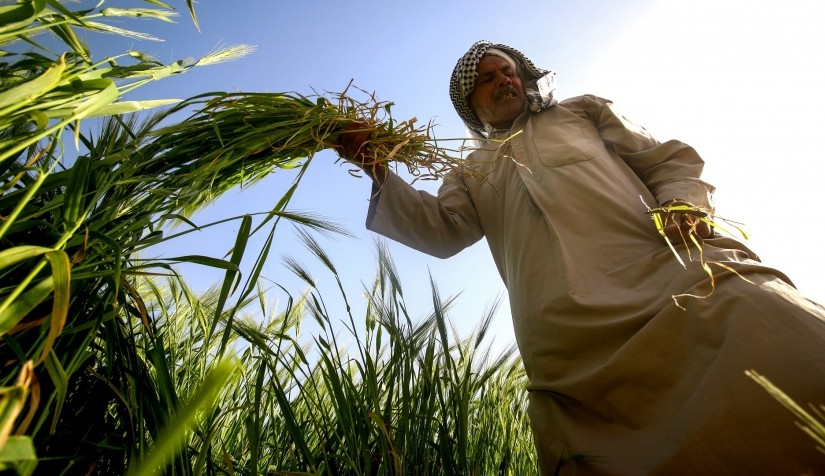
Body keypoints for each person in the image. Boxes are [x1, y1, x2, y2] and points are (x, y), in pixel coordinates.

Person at [337, 40, 825, 475]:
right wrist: (378, 169)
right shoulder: (468, 169)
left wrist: (683, 204)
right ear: (471, 103)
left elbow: (667, 160)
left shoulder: (581, 112)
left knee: (779, 333)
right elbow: (443, 232)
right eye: (486, 79)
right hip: (566, 330)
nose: (503, 80)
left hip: (669, 272)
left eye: (508, 71)